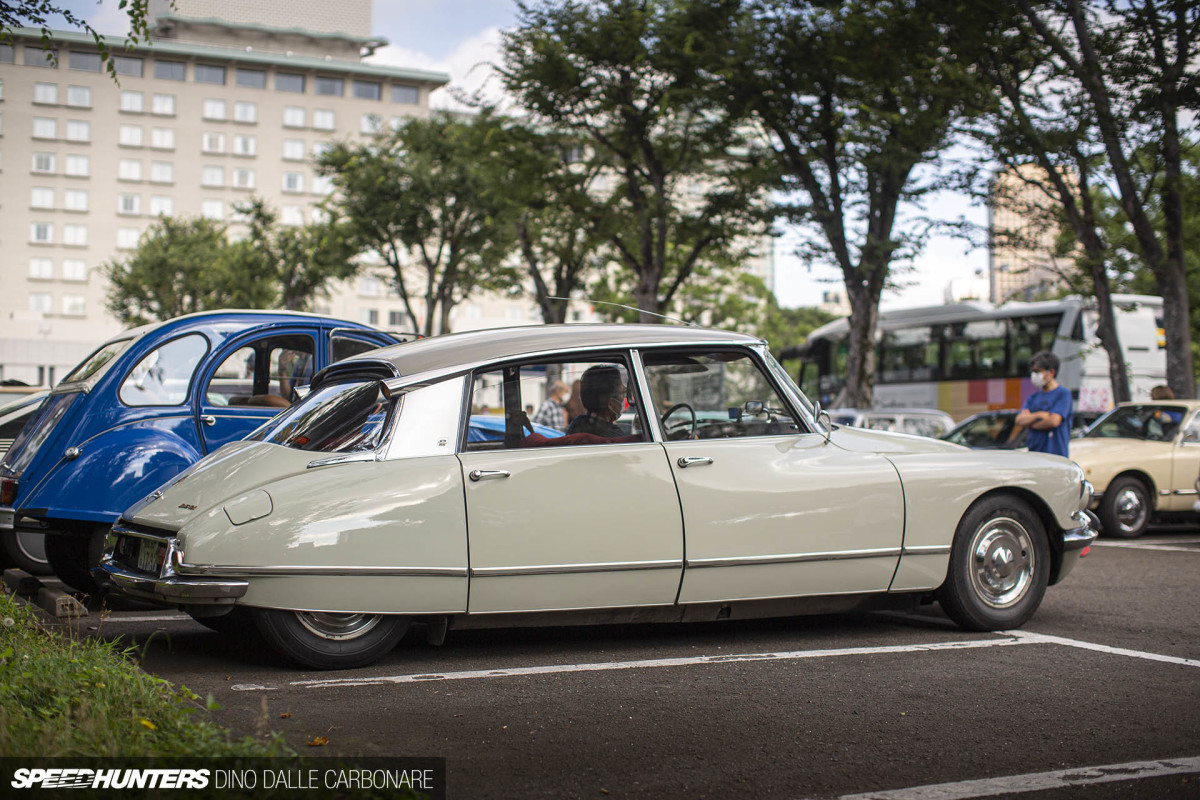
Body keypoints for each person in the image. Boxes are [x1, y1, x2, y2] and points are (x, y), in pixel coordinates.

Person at [1010, 351, 1073, 457]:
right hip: (1034, 455)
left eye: (1038, 371)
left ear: (1051, 372)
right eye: (1033, 372)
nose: (1034, 375)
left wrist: (1030, 422)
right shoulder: (1033, 398)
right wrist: (1040, 415)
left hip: (1056, 456)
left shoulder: (1063, 394)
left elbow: (1054, 421)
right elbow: (1020, 420)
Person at [565, 365, 627, 438]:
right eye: (622, 394)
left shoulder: (577, 425)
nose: (624, 398)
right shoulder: (615, 437)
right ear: (611, 404)